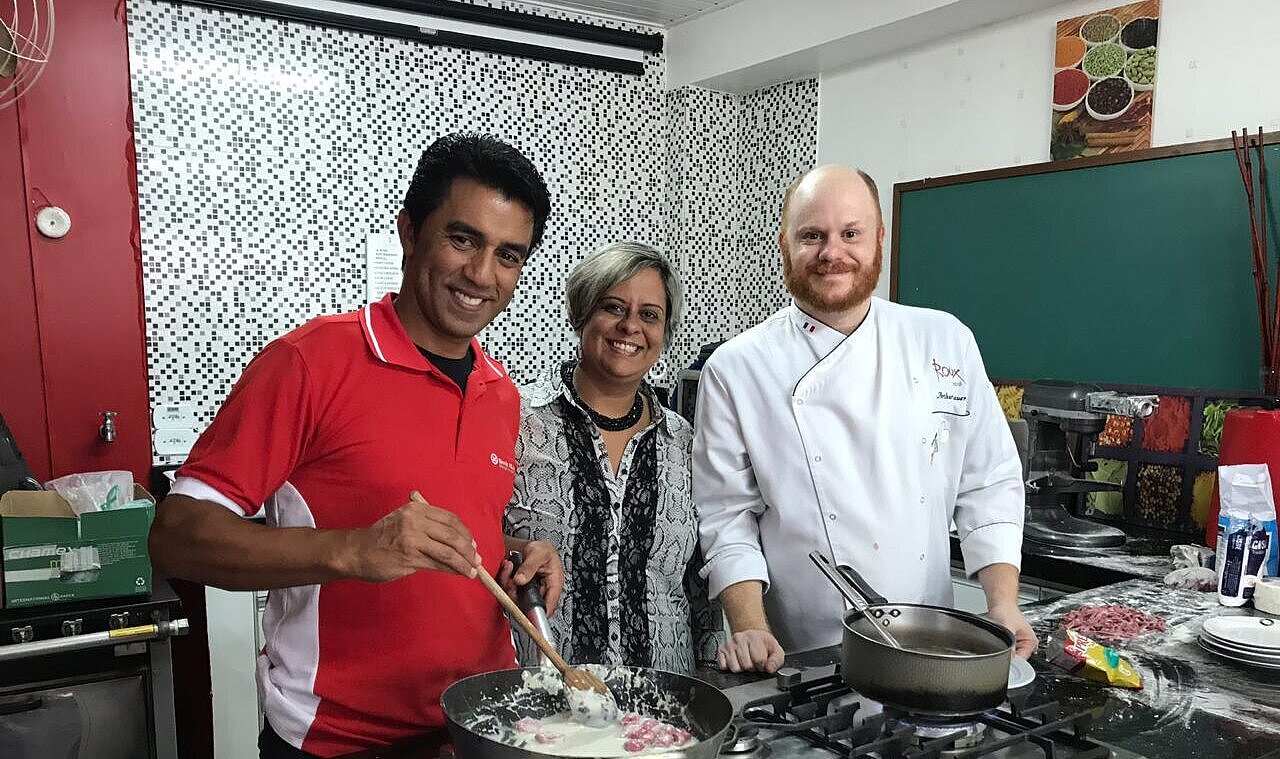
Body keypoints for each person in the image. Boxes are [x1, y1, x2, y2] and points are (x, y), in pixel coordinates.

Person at [148, 132, 564, 758]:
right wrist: (353, 550)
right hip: (337, 741)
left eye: (509, 255)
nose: (483, 275)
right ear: (409, 232)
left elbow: (454, 529)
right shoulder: (308, 363)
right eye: (462, 239)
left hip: (476, 728)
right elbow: (177, 536)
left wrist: (515, 552)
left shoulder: (499, 391)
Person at [692, 164, 1036, 674]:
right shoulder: (736, 367)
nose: (833, 252)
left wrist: (1002, 602)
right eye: (812, 235)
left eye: (850, 233)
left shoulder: (945, 341)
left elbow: (988, 483)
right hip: (802, 654)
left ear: (879, 238)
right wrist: (749, 625)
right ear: (784, 243)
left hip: (931, 642)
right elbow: (726, 517)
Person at [504, 241, 723, 674]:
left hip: (664, 699)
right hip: (542, 701)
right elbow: (474, 542)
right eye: (613, 307)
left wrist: (712, 675)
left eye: (649, 315)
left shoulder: (683, 441)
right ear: (582, 314)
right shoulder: (514, 420)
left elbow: (698, 584)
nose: (630, 327)